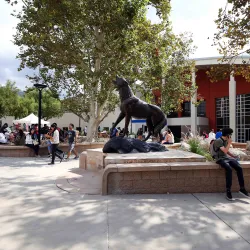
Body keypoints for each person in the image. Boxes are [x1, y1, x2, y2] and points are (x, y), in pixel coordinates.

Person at [214, 128, 249, 200]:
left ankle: (242, 188)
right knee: (229, 169)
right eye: (230, 134)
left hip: (226, 158)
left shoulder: (225, 140)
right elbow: (224, 151)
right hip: (219, 159)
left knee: (239, 168)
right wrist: (229, 143)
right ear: (227, 135)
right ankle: (228, 191)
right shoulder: (218, 141)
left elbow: (226, 152)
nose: (231, 136)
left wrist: (233, 156)